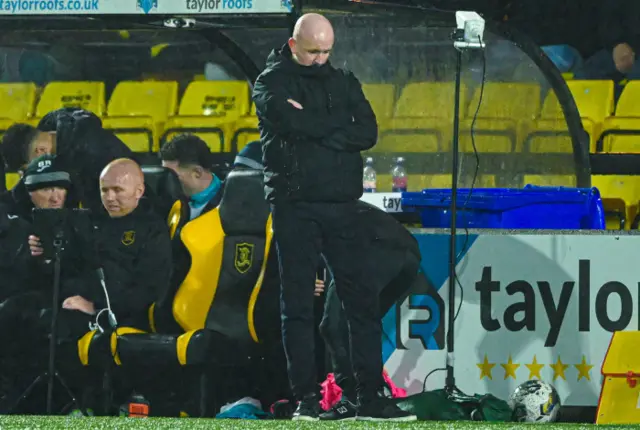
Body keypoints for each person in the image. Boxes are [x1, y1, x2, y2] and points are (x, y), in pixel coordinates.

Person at [253, 13, 414, 421]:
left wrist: (315, 130)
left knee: (360, 304)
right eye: (312, 51)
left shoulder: (344, 81)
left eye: (326, 51)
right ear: (293, 45)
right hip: (294, 206)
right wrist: (336, 128)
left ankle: (368, 398)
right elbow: (293, 122)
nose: (320, 59)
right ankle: (306, 400)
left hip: (343, 207)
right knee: (298, 306)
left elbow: (368, 132)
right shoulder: (270, 83)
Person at [0, 108, 133, 214]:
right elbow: (21, 196)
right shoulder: (54, 142)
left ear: (40, 151)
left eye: (29, 169)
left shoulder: (94, 155)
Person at [159, 133, 224, 221]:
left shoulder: (231, 204)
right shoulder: (166, 202)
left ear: (197, 173)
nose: (168, 181)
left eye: (173, 175)